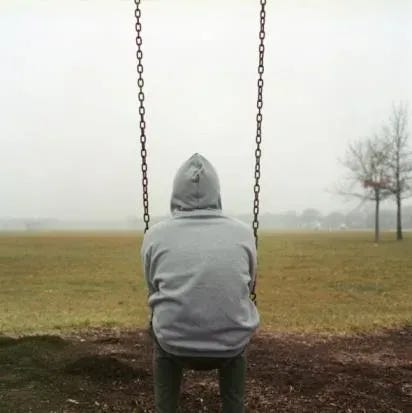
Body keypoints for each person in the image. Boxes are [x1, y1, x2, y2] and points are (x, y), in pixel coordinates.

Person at [141, 153, 260, 413]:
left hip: (174, 344)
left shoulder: (155, 235)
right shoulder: (243, 233)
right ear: (217, 192)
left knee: (159, 329)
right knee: (236, 338)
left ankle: (166, 408)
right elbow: (249, 284)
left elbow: (152, 286)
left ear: (175, 192)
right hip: (230, 345)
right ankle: (233, 408)